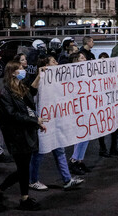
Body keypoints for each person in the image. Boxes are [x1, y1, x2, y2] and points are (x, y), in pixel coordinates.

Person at [0, 61, 48, 212]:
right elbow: (12, 115)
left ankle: (25, 198)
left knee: (24, 169)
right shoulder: (6, 93)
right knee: (22, 169)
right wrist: (35, 120)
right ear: (12, 72)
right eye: (20, 68)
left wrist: (39, 76)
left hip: (26, 133)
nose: (23, 70)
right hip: (15, 135)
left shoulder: (22, 87)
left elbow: (31, 98)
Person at [28, 56, 84, 191]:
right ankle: (32, 180)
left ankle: (67, 180)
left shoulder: (57, 80)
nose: (57, 63)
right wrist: (40, 75)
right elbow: (31, 94)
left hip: (56, 122)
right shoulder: (39, 81)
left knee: (60, 150)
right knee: (39, 153)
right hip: (43, 123)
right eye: (53, 62)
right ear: (46, 65)